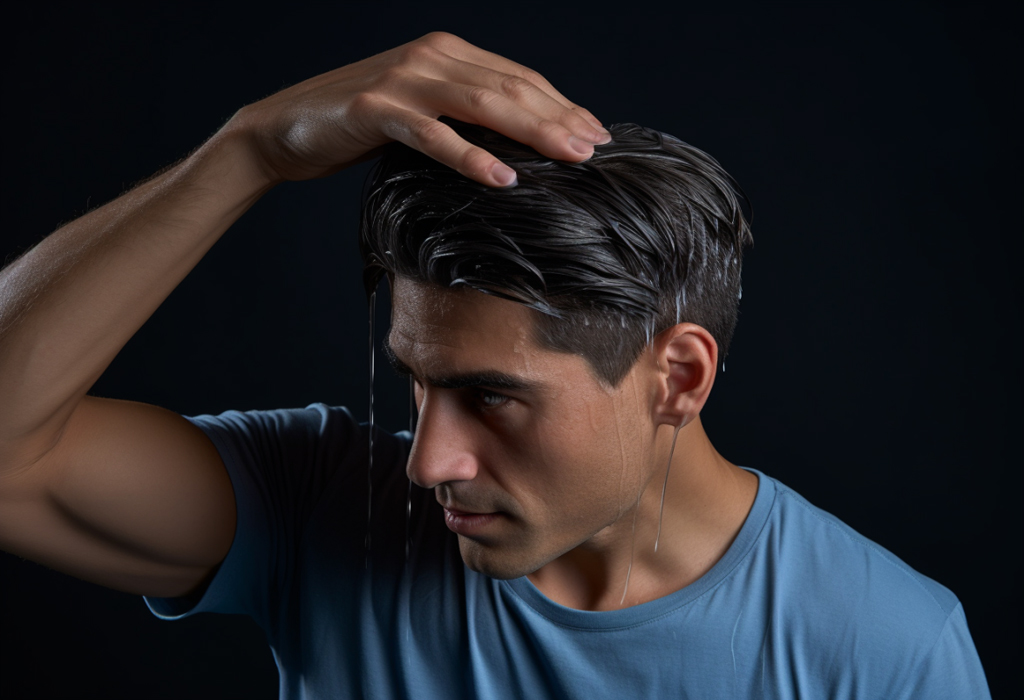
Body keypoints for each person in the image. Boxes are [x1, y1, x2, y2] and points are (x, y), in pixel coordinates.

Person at [0, 31, 989, 699]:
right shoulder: (322, 507)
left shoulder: (885, 650)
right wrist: (249, 147)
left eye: (490, 396)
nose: (428, 461)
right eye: (419, 383)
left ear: (677, 379)